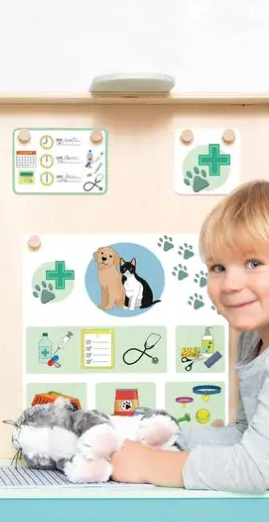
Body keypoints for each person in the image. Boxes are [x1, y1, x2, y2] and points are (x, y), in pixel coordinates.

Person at [111, 179, 269, 492]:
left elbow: (256, 467)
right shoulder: (252, 340)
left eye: (254, 263)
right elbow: (244, 435)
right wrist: (169, 437)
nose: (230, 284)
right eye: (218, 267)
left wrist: (148, 463)